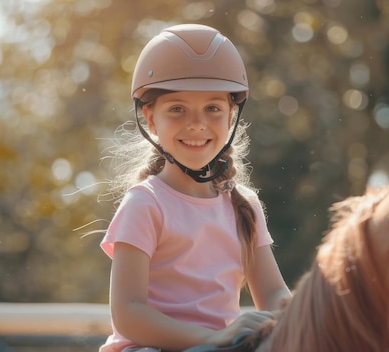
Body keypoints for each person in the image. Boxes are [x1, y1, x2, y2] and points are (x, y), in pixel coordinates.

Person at [99, 24, 291, 352]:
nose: (196, 123)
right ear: (151, 118)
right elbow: (128, 313)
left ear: (231, 116)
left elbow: (274, 295)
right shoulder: (144, 204)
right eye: (177, 108)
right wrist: (212, 338)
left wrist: (317, 309)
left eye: (213, 108)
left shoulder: (244, 206)